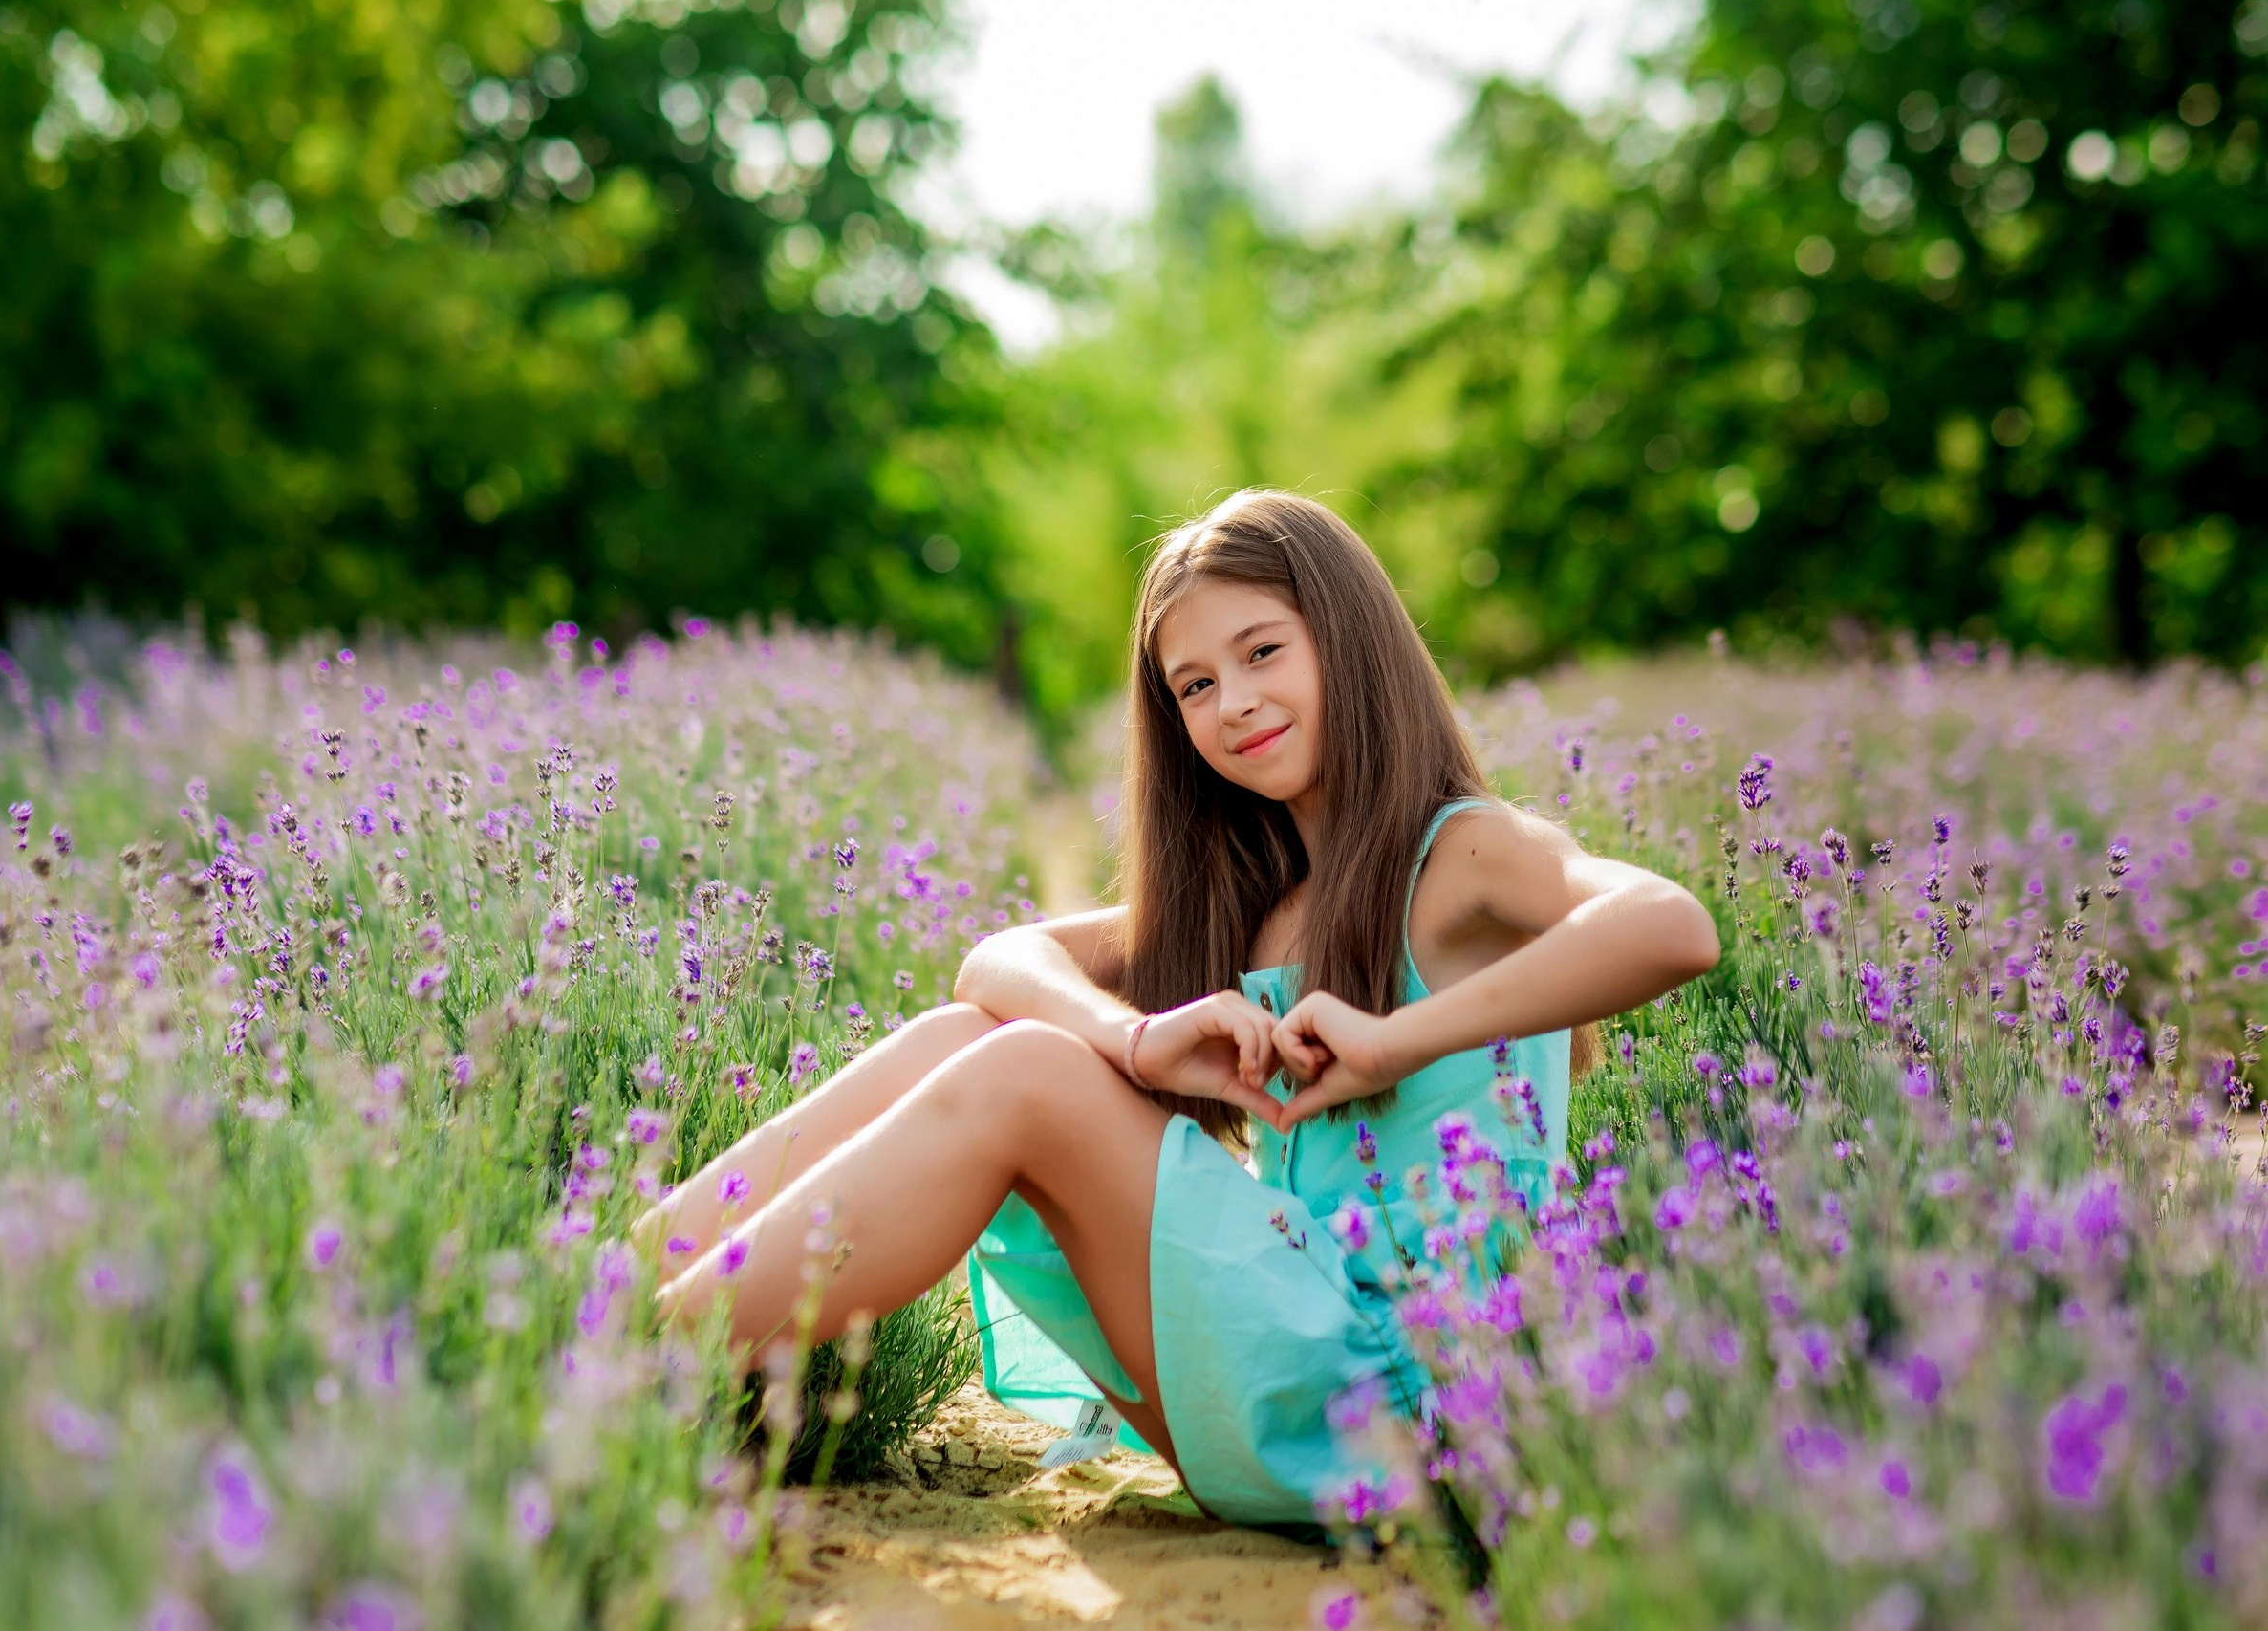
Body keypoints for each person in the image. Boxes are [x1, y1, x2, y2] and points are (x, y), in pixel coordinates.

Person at [646, 489, 1718, 1531]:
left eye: (1262, 652)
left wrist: (1397, 1037)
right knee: (968, 1037)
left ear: (1350, 639)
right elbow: (995, 959)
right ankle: (602, 1294)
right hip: (1287, 1350)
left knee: (1026, 1070)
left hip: (1412, 1397)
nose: (1233, 701)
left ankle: (629, 1365)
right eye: (1193, 684)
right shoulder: (1259, 903)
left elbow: (1671, 926)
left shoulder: (1462, 849)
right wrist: (1139, 1036)